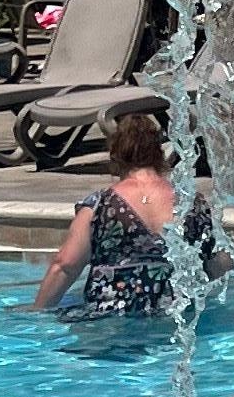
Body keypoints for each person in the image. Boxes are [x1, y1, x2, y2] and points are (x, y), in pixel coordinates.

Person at [29, 105, 179, 316]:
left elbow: (65, 265)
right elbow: (217, 265)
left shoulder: (100, 205)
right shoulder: (190, 202)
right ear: (159, 154)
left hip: (110, 317)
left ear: (116, 156)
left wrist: (36, 312)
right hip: (173, 312)